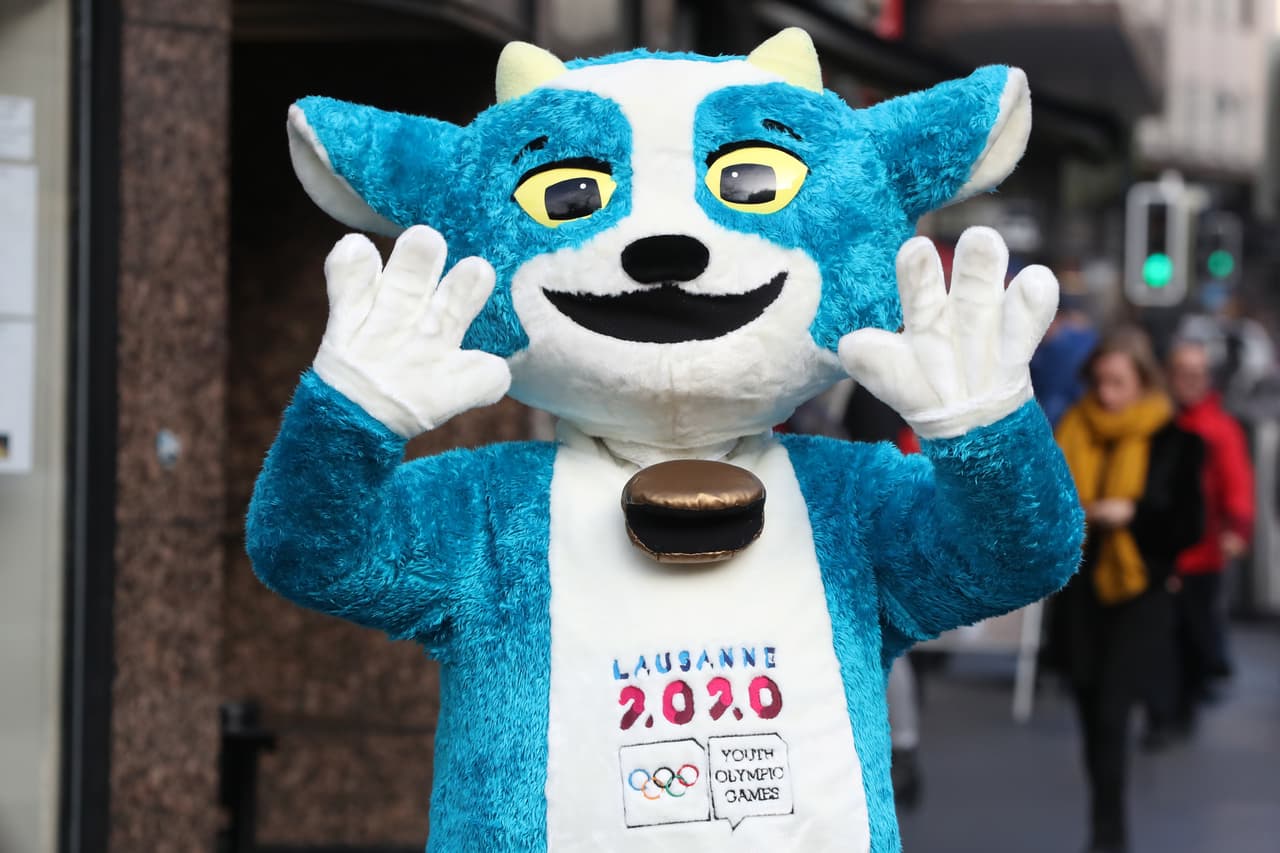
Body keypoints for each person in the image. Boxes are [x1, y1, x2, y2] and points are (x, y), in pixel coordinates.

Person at [1052, 326, 1204, 853]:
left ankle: (1108, 837)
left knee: (1115, 711)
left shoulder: (1174, 440)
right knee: (1092, 713)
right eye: (1099, 382)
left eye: (1118, 382)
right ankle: (1104, 822)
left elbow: (1189, 525)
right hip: (1080, 593)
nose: (1107, 394)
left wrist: (1133, 514)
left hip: (1140, 593)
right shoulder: (1072, 428)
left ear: (1143, 381)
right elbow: (1048, 508)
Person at [1142, 338, 1254, 745]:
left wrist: (1236, 529)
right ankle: (1159, 713)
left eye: (1197, 374)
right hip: (1157, 552)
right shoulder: (1152, 419)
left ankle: (1183, 706)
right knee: (1157, 636)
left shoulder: (1219, 429)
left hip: (1202, 554)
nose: (1189, 381)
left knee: (1191, 633)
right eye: (1182, 372)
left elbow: (1237, 483)